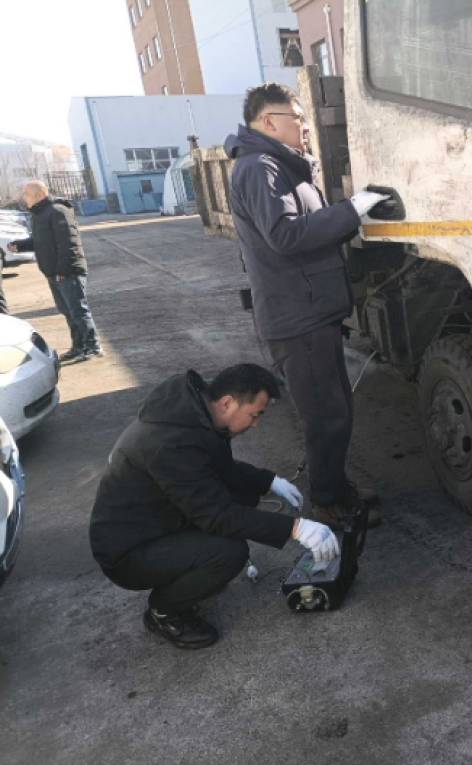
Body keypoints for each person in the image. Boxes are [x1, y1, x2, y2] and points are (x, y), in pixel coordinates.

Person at [224, 83, 387, 531]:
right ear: (268, 121)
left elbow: (310, 227)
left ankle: (336, 490)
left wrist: (352, 213)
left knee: (335, 412)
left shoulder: (281, 166)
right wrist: (352, 210)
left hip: (311, 312)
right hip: (297, 319)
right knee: (325, 417)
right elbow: (287, 235)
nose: (304, 125)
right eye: (296, 117)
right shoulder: (259, 168)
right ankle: (328, 503)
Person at [90, 364, 341, 650]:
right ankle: (163, 612)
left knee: (238, 499)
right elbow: (217, 516)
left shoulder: (195, 415)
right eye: (255, 415)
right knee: (228, 552)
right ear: (227, 403)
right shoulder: (170, 443)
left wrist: (269, 481)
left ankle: (188, 576)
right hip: (128, 553)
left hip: (156, 523)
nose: (256, 424)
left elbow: (217, 466)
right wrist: (296, 528)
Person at [8, 181, 102, 362]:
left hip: (67, 272)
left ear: (38, 195)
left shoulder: (58, 211)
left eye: (26, 194)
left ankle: (92, 346)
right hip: (54, 273)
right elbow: (39, 241)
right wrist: (19, 246)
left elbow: (68, 244)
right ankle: (79, 346)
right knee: (68, 311)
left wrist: (62, 271)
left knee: (78, 311)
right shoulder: (40, 214)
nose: (24, 197)